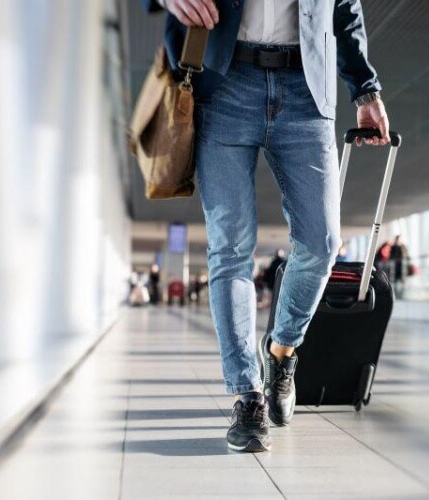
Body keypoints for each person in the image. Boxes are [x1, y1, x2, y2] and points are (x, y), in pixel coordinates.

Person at [142, 0, 390, 452]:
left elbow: (345, 7)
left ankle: (281, 351)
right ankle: (247, 395)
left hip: (306, 91)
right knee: (231, 248)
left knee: (322, 241)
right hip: (225, 83)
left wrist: (366, 89)